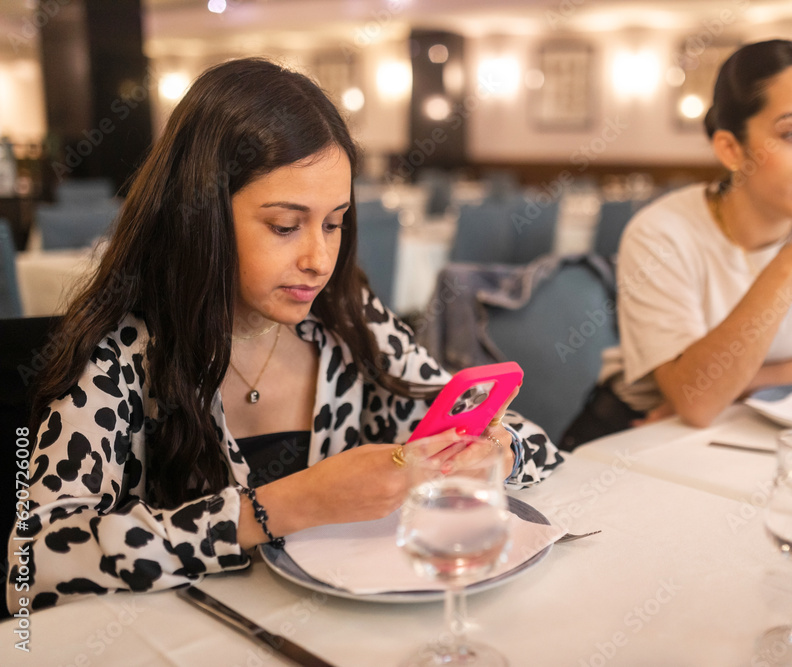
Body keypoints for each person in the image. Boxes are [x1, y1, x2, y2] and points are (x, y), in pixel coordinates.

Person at [7, 58, 563, 611]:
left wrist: (492, 453)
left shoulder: (349, 323)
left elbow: (533, 440)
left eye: (334, 222)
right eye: (284, 226)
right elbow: (29, 565)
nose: (318, 260)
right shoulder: (123, 349)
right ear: (201, 215)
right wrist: (276, 508)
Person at [560, 39, 792, 449]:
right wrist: (791, 266)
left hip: (759, 423)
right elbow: (697, 407)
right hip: (640, 433)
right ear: (731, 149)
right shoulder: (661, 233)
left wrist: (732, 386)